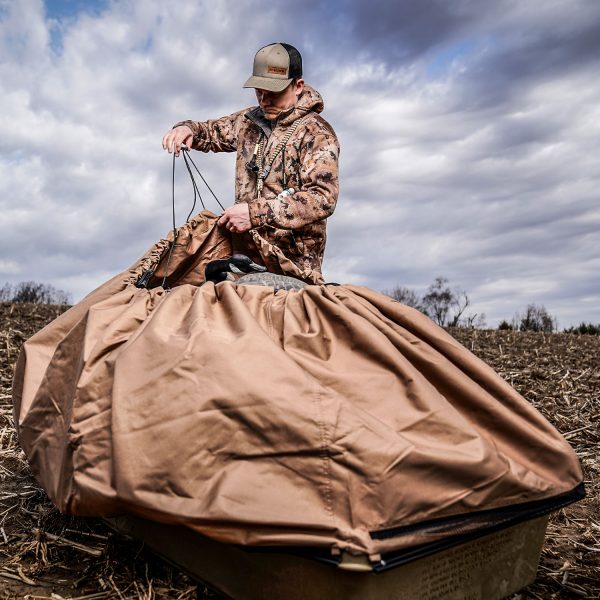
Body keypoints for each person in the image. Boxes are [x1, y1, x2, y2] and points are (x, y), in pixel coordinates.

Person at [162, 43, 339, 282]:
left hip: (292, 268)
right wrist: (187, 129)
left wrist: (254, 214)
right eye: (259, 91)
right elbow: (211, 131)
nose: (264, 100)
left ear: (298, 86)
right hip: (245, 263)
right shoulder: (249, 122)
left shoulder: (316, 133)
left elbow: (322, 198)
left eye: (273, 92)